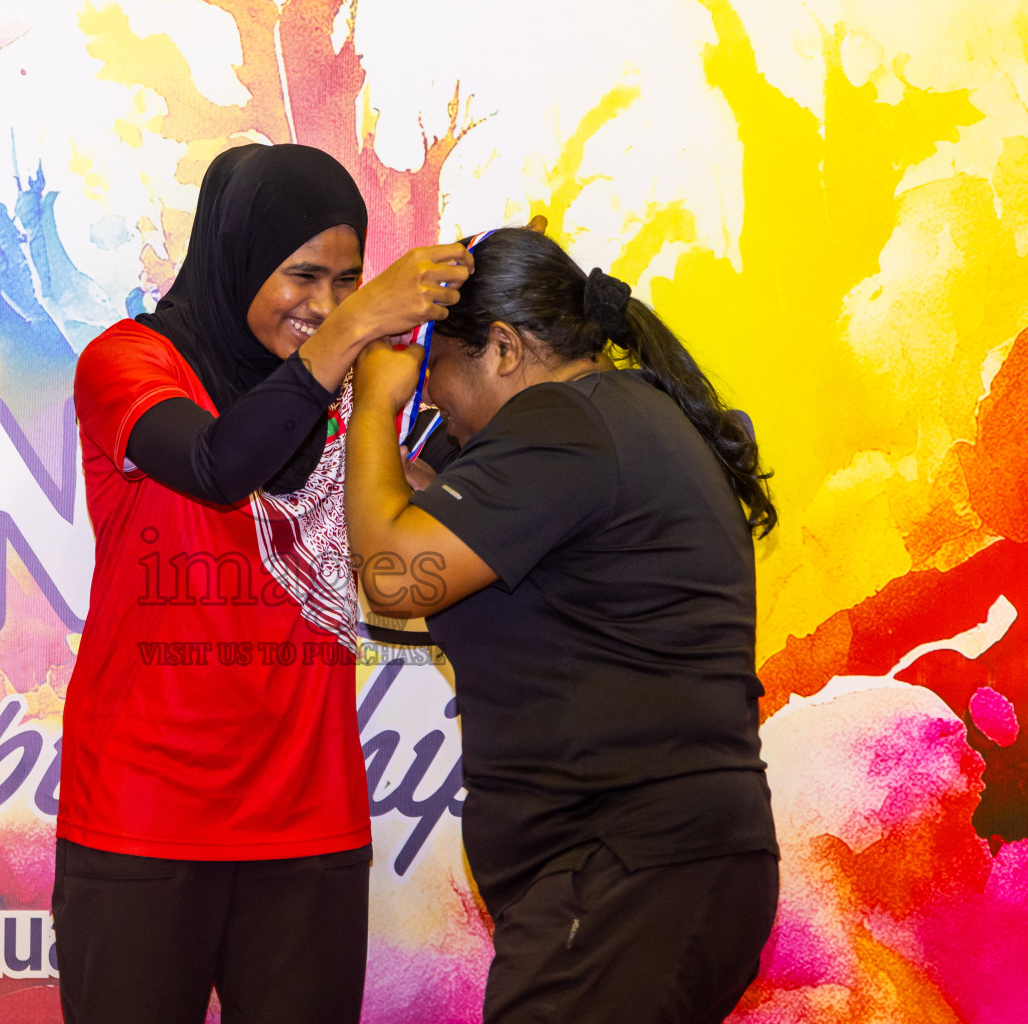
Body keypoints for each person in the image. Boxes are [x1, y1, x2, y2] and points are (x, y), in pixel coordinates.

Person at [56, 143, 471, 1023]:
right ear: (238, 256)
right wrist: (349, 340)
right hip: (144, 818)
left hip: (308, 818)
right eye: (303, 277)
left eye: (349, 281)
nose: (325, 305)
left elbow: (433, 527)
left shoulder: (342, 387)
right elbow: (216, 463)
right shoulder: (129, 363)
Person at [344, 227, 780, 1023]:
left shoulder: (564, 424)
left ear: (503, 349)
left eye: (434, 374)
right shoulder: (617, 415)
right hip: (662, 867)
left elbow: (397, 575)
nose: (430, 400)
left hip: (622, 870)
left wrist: (373, 401)